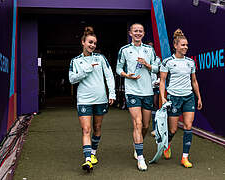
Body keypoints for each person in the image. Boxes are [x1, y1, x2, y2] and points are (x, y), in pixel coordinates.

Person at [69, 27, 116, 172]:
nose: (92, 45)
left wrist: (112, 94)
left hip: (100, 99)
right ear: (83, 42)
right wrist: (86, 70)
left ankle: (93, 152)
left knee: (97, 128)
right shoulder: (75, 61)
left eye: (94, 43)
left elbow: (109, 76)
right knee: (86, 129)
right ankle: (87, 160)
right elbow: (72, 79)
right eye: (90, 42)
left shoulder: (101, 58)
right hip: (84, 99)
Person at [116, 23, 158, 171]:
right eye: (135, 31)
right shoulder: (125, 50)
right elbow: (118, 68)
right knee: (138, 123)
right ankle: (141, 158)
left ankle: (137, 144)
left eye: (140, 31)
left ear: (144, 33)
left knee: (146, 126)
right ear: (130, 33)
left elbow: (157, 67)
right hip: (132, 91)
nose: (138, 33)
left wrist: (147, 64)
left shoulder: (149, 49)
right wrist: (126, 75)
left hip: (147, 91)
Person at [159, 28, 202, 168]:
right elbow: (162, 81)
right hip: (174, 98)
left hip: (189, 97)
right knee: (172, 130)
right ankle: (167, 144)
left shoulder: (190, 62)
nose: (185, 47)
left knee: (188, 126)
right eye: (183, 45)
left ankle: (185, 157)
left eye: (187, 45)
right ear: (175, 45)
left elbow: (194, 81)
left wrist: (199, 98)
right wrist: (162, 97)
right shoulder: (167, 62)